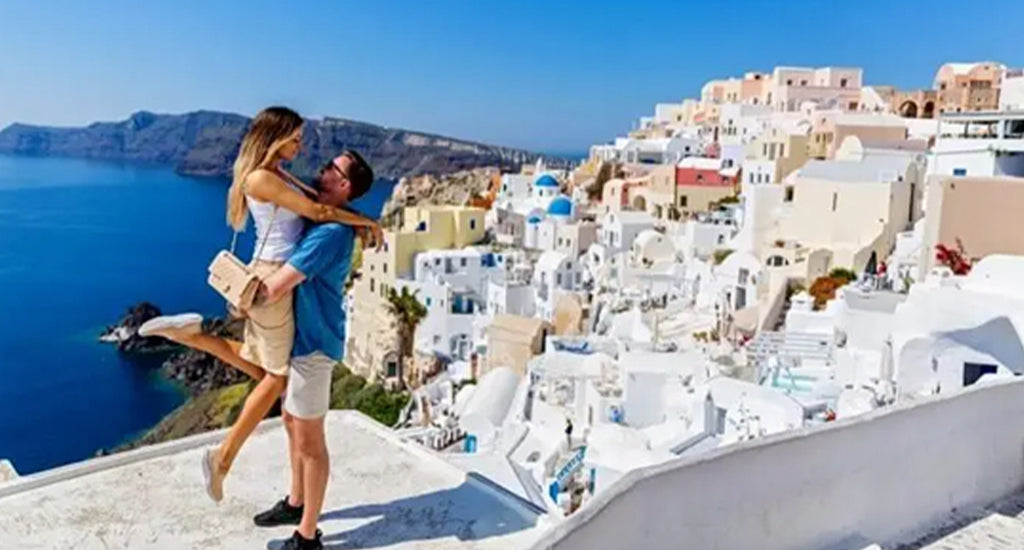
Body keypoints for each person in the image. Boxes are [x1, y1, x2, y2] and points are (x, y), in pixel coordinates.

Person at [140, 107, 378, 502]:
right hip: (274, 278)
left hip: (270, 274)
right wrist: (367, 223)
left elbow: (320, 207)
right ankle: (222, 459)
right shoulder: (261, 178)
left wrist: (355, 217)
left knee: (262, 367)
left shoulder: (278, 173)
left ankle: (194, 336)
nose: (302, 146)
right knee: (277, 379)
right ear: (277, 135)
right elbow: (318, 211)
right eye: (296, 138)